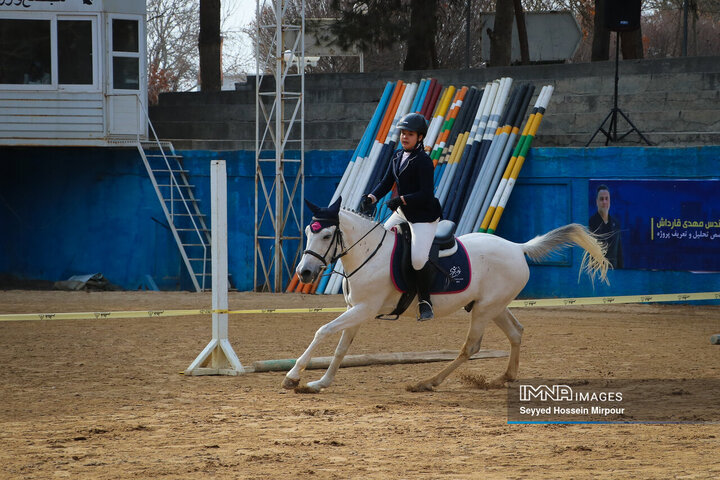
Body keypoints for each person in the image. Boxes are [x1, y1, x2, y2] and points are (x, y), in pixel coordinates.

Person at [360, 113, 443, 320]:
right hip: (403, 212)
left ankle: (425, 301)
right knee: (380, 243)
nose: (405, 137)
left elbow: (426, 194)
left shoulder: (424, 161)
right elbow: (386, 182)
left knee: (417, 259)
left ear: (420, 137)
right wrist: (371, 197)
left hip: (423, 216)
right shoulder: (397, 155)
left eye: (410, 134)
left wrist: (401, 199)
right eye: (403, 133)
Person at [589, 184, 623, 268]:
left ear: (609, 201)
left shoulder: (616, 223)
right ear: (597, 202)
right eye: (601, 199)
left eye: (606, 199)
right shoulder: (590, 223)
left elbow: (619, 252)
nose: (604, 202)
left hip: (614, 272)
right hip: (597, 272)